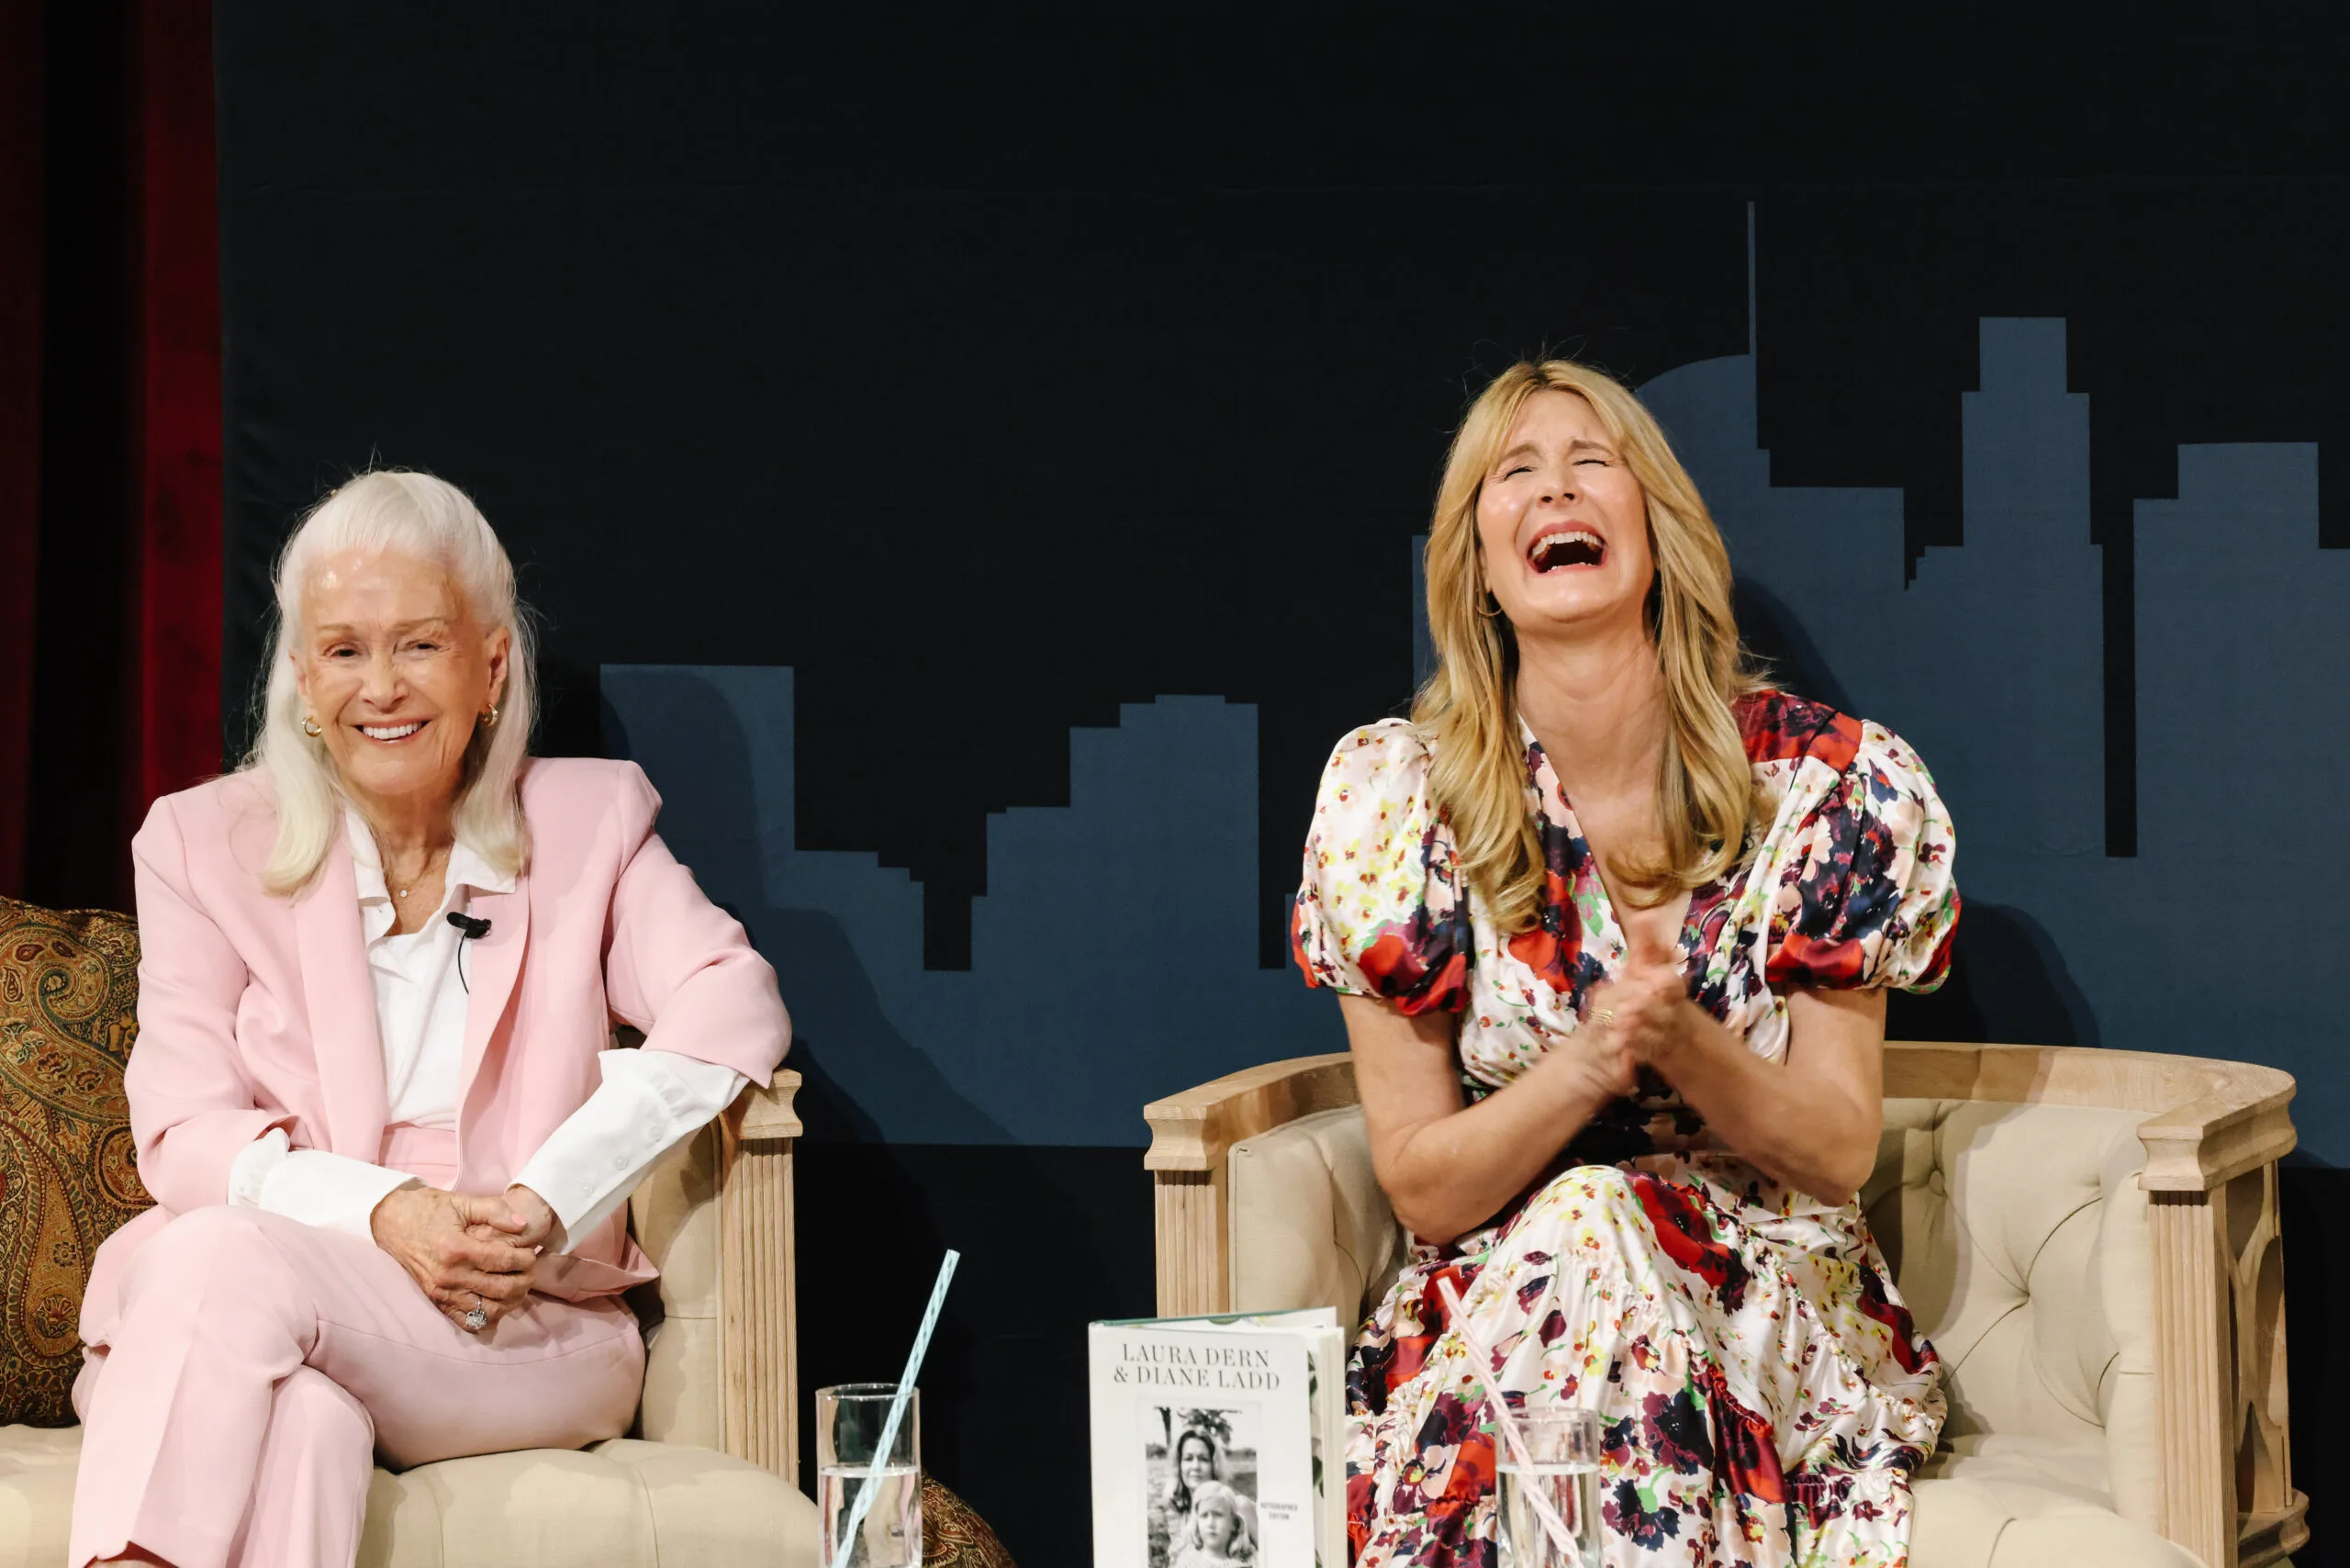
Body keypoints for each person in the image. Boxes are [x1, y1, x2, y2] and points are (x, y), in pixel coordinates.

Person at [1292, 362, 1958, 1566]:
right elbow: (1428, 1191)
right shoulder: (1397, 795)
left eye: (1591, 461)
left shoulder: (1825, 785)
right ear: (1479, 561)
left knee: (1603, 1228)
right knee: (1590, 1219)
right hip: (1507, 1293)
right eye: (1516, 471)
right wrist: (1592, 1063)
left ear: (1655, 522)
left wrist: (1685, 1044)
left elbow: (1835, 1146)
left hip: (1768, 1297)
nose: (1557, 488)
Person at [67, 471, 791, 1568]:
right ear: (304, 680)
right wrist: (390, 1210)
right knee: (300, 1421)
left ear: (489, 664)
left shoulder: (586, 820)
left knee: (215, 1266)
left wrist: (548, 1197)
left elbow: (727, 1002)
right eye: (345, 650)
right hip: (266, 1304)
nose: (381, 686)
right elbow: (182, 1129)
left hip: (513, 1319)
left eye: (418, 644)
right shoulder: (201, 843)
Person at [1177, 1481, 1256, 1568]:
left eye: (1218, 1515)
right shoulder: (1188, 1562)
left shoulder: (1246, 1564)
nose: (1210, 1523)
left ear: (1234, 1523)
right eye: (1204, 1516)